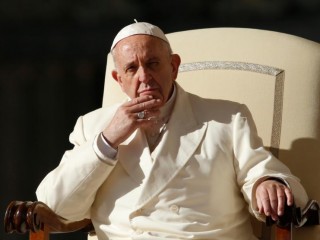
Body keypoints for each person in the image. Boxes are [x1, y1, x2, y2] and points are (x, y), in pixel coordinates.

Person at [36, 22, 308, 240]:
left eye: (153, 63)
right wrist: (107, 141)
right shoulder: (93, 125)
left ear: (174, 66)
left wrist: (267, 184)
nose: (144, 76)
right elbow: (55, 207)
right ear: (119, 79)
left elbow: (258, 171)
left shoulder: (227, 117)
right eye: (132, 68)